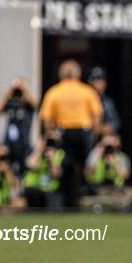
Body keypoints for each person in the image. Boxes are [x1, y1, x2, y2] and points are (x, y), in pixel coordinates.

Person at [40, 60, 103, 208]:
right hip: (83, 132)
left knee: (65, 167)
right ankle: (84, 197)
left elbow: (46, 119)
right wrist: (95, 134)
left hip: (64, 133)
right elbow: (97, 115)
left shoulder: (54, 91)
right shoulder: (87, 91)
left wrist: (51, 133)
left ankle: (67, 199)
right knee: (86, 167)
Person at [0, 77, 37, 176]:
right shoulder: (10, 103)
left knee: (25, 170)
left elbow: (35, 104)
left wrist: (24, 90)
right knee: (8, 169)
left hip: (24, 143)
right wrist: (8, 93)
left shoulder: (27, 105)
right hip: (9, 143)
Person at [84, 133, 132, 211]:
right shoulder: (95, 155)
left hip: (117, 189)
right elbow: (87, 174)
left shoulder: (122, 157)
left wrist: (115, 163)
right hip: (100, 188)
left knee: (130, 193)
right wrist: (98, 156)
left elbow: (125, 176)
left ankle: (115, 206)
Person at [22, 131, 65, 209]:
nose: (49, 145)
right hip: (35, 189)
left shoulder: (59, 154)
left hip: (50, 191)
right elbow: (31, 165)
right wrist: (40, 148)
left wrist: (52, 160)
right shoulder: (36, 152)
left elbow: (56, 174)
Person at [88, 67, 121, 134]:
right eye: (94, 80)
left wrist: (100, 128)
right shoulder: (84, 100)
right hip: (86, 136)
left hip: (102, 137)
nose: (97, 83)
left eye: (100, 80)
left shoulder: (107, 102)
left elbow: (114, 124)